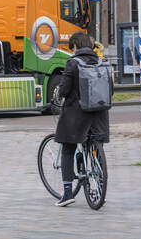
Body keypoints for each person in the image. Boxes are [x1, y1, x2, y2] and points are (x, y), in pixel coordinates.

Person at [54, 32, 111, 207]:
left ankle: (67, 193)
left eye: (72, 47)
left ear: (75, 46)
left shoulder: (73, 63)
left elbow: (64, 90)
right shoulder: (102, 62)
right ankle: (100, 189)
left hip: (77, 115)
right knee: (94, 145)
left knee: (67, 148)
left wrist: (57, 96)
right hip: (100, 114)